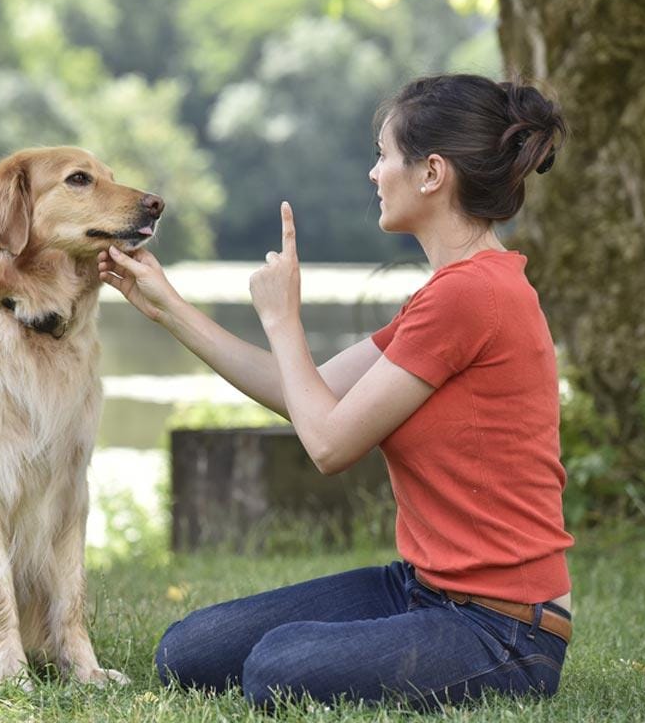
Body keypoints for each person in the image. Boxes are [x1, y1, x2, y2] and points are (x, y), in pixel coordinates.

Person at [98, 74, 574, 710]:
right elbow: (309, 393)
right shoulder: (448, 294)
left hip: (506, 629)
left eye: (383, 155)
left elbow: (326, 444)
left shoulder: (471, 296)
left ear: (432, 173)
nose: (374, 173)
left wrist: (283, 319)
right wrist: (166, 307)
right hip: (426, 589)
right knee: (186, 651)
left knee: (276, 668)